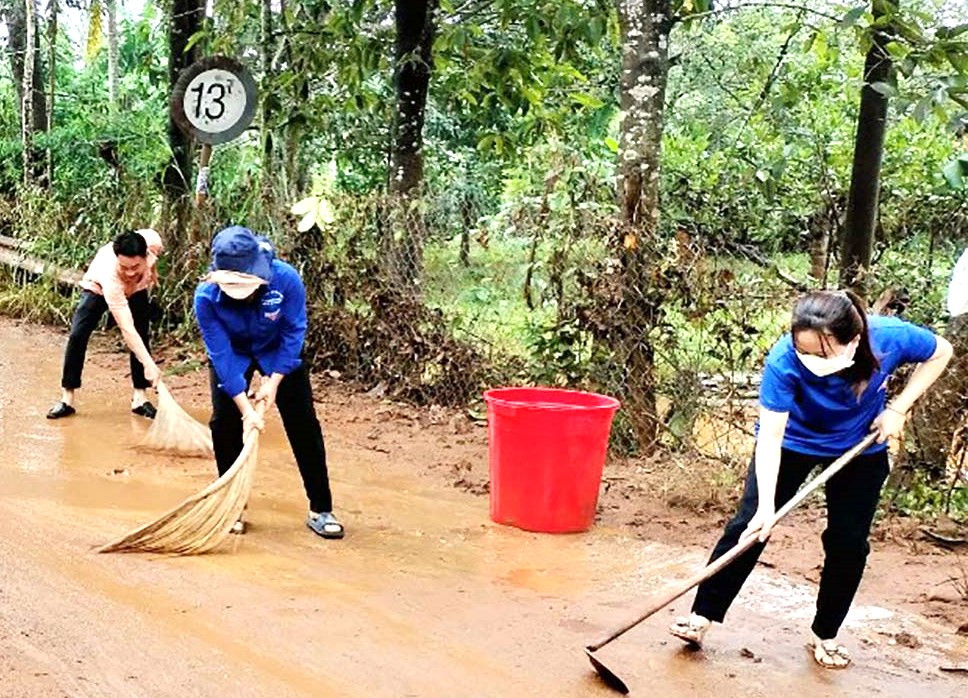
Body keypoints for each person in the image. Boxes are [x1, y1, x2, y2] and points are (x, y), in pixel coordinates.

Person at [669, 289, 953, 669]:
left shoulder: (889, 337)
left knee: (848, 543)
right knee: (749, 526)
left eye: (820, 353)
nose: (810, 360)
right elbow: (769, 437)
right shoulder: (783, 360)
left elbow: (941, 351)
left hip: (859, 444)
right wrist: (767, 507)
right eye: (804, 351)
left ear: (853, 339)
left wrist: (898, 409)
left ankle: (826, 634)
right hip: (792, 441)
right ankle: (702, 616)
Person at [193, 225, 344, 539]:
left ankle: (321, 508)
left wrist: (273, 382)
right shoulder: (206, 297)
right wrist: (245, 408)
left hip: (277, 350)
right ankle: (233, 506)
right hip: (234, 352)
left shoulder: (285, 279)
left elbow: (294, 332)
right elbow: (220, 355)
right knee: (224, 422)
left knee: (303, 422)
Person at [47, 229, 163, 419]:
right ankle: (67, 398)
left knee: (142, 333)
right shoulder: (110, 276)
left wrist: (152, 274)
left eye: (135, 266)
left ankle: (140, 398)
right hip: (98, 289)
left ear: (146, 255)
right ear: (117, 258)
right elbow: (126, 328)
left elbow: (153, 260)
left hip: (137, 290)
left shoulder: (153, 242)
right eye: (124, 267)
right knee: (78, 335)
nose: (130, 272)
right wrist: (150, 364)